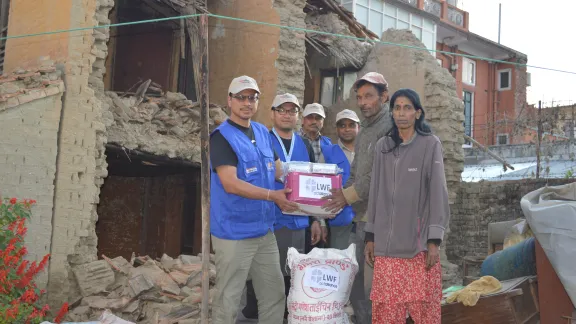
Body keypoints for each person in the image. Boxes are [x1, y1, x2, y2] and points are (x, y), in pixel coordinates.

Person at [209, 76, 300, 324]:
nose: (247, 103)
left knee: (274, 295)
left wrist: (314, 183)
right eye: (241, 97)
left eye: (252, 97)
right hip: (233, 233)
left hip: (263, 231)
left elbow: (279, 170)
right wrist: (273, 196)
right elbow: (230, 183)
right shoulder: (221, 137)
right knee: (228, 301)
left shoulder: (261, 133)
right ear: (230, 100)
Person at [364, 88, 449, 323]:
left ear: (417, 113)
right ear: (392, 112)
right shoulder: (383, 146)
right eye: (397, 108)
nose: (401, 113)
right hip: (386, 250)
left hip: (418, 247)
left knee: (424, 313)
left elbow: (438, 193)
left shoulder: (430, 144)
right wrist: (371, 236)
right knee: (387, 314)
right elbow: (375, 192)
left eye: (407, 108)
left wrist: (434, 241)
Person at [239, 93, 324, 321]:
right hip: (270, 223)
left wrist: (316, 220)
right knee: (263, 280)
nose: (287, 115)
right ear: (272, 113)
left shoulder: (305, 144)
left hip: (298, 224)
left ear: (298, 115)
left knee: (293, 280)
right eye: (282, 110)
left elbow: (314, 184)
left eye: (292, 111)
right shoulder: (262, 139)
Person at [321, 72, 393, 319]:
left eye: (369, 96)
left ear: (384, 96)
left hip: (383, 222)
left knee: (377, 287)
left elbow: (378, 177)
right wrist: (335, 198)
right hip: (361, 220)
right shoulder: (365, 132)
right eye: (360, 97)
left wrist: (344, 197)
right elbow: (355, 175)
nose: (363, 102)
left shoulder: (391, 128)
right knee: (356, 281)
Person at [324, 109, 360, 249]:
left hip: (364, 221)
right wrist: (321, 221)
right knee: (340, 265)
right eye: (342, 126)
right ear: (337, 129)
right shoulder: (327, 152)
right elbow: (319, 188)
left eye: (351, 125)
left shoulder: (369, 151)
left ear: (359, 127)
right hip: (339, 219)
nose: (347, 129)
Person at [300, 103, 332, 250]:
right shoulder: (294, 141)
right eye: (309, 117)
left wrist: (321, 220)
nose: (313, 121)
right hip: (300, 207)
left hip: (322, 204)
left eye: (318, 118)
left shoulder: (328, 144)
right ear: (302, 120)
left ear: (323, 121)